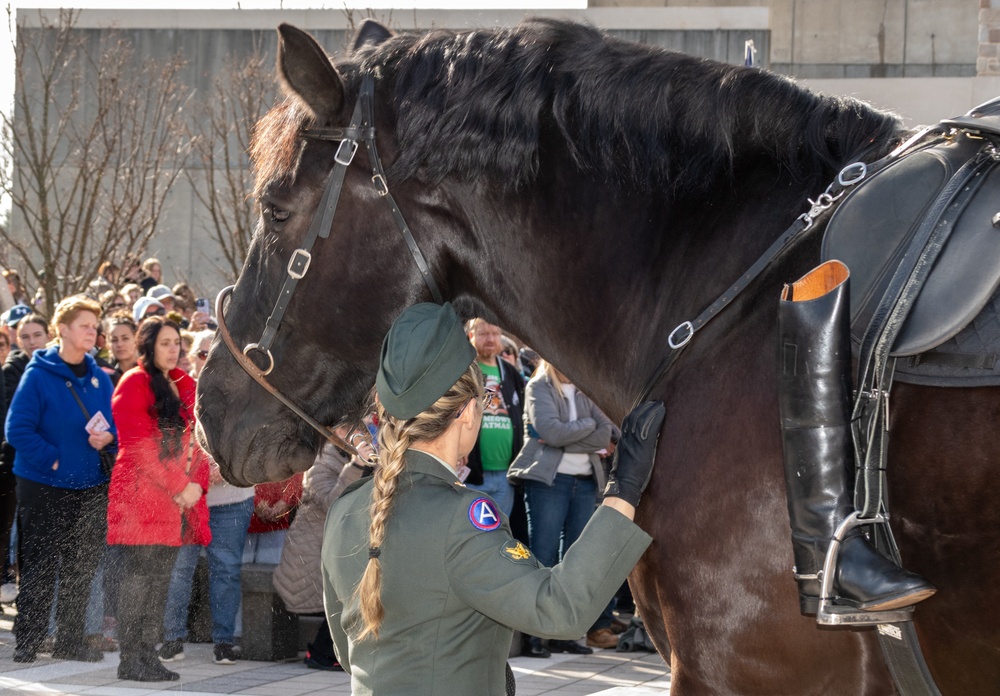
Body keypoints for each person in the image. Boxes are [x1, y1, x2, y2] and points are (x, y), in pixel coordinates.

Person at [322, 302, 663, 695]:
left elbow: (350, 652)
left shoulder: (345, 508)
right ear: (468, 411)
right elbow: (559, 609)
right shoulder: (462, 516)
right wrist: (624, 489)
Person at [5, 295, 116, 664]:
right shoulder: (38, 375)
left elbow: (112, 424)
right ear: (63, 330)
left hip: (89, 485)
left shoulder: (100, 378)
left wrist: (109, 437)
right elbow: (17, 429)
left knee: (80, 568)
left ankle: (70, 640)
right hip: (44, 486)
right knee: (40, 565)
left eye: (94, 326)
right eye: (84, 325)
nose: (92, 331)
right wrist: (53, 461)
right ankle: (29, 639)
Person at [107, 316, 210, 681]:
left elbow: (197, 442)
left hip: (171, 502)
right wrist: (181, 485)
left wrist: (193, 485)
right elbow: (138, 447)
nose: (174, 349)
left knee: (158, 584)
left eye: (176, 342)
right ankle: (130, 659)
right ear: (148, 346)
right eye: (165, 342)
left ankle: (147, 657)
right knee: (138, 583)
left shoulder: (184, 384)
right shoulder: (134, 382)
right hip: (138, 500)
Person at [507, 359, 619, 652]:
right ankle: (533, 634)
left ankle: (564, 634)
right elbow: (551, 431)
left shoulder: (585, 388)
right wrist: (589, 428)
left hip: (584, 483)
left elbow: (604, 432)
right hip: (549, 483)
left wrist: (569, 435)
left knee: (575, 559)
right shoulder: (538, 386)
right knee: (543, 556)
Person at [273, 440, 367, 671]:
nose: (359, 432)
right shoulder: (321, 461)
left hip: (339, 547)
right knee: (346, 595)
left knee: (354, 592)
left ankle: (327, 652)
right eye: (350, 427)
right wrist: (356, 466)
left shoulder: (350, 456)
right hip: (312, 552)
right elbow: (331, 501)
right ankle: (320, 653)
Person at [463, 319, 525, 517]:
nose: (490, 339)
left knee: (498, 536)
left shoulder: (511, 373)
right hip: (470, 474)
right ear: (471, 336)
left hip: (507, 475)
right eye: (483, 333)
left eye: (494, 333)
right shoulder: (463, 371)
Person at [107, 315, 139, 386]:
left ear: (136, 340)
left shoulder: (149, 372)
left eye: (125, 338)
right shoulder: (105, 375)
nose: (119, 344)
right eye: (114, 340)